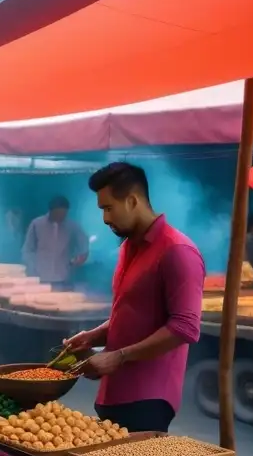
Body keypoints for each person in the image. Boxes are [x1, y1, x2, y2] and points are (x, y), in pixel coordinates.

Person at [65, 162, 205, 433]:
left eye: (108, 208)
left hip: (148, 397)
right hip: (113, 391)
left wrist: (118, 357)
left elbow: (185, 328)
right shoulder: (129, 247)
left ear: (132, 201)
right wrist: (94, 336)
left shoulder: (177, 251)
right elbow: (134, 311)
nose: (105, 219)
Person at [22, 196, 89, 288]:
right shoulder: (37, 224)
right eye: (58, 213)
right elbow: (28, 249)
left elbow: (84, 244)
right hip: (40, 277)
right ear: (51, 211)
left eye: (64, 214)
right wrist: (32, 268)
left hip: (64, 277)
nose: (61, 216)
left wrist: (81, 257)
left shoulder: (72, 226)